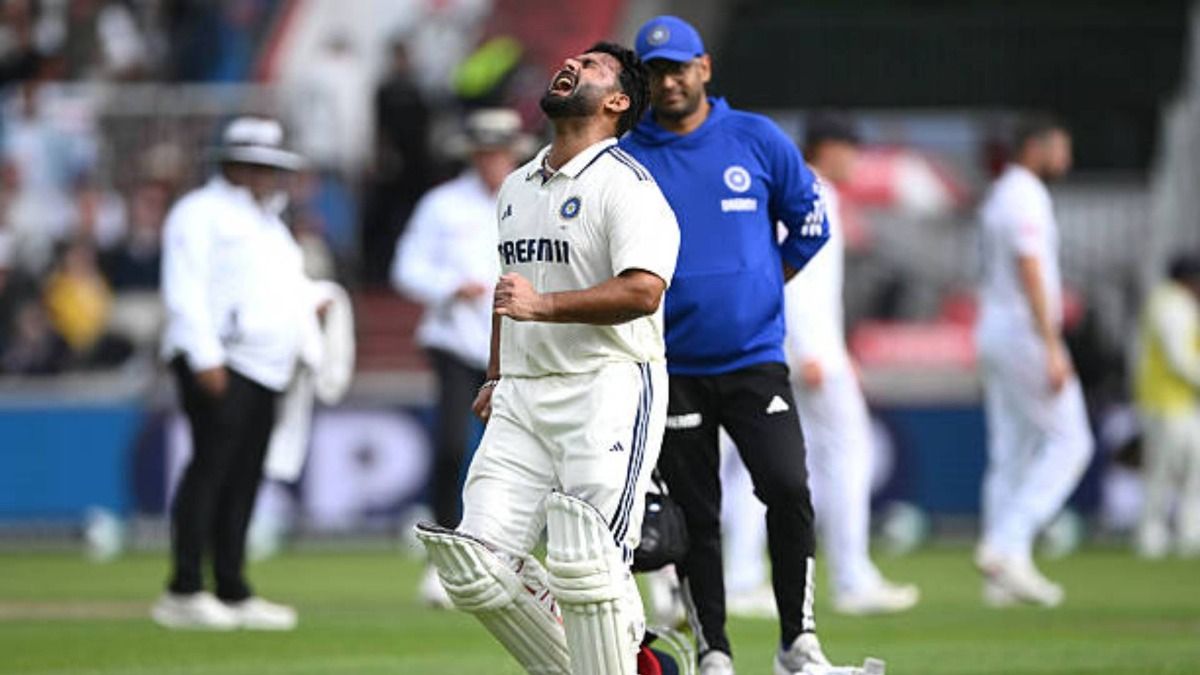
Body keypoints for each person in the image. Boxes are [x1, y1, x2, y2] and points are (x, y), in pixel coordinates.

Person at [621, 15, 876, 675]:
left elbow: (809, 222)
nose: (669, 81)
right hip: (671, 365)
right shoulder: (626, 158)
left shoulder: (756, 139)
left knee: (789, 487)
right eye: (655, 72)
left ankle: (800, 643)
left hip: (754, 360)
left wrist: (763, 283)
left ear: (704, 67)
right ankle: (714, 649)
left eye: (679, 67)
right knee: (697, 516)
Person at [415, 42, 680, 675]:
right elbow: (513, 290)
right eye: (571, 61)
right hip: (522, 391)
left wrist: (547, 308)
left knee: (588, 567)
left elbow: (644, 291)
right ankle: (644, 667)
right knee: (476, 567)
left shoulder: (630, 185)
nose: (570, 66)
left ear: (617, 102)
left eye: (590, 67)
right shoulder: (516, 184)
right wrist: (496, 373)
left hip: (607, 386)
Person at [152, 116, 319, 631]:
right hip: (222, 358)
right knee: (211, 467)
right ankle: (183, 588)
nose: (268, 177)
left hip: (266, 366)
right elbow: (184, 287)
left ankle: (231, 585)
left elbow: (281, 289)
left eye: (272, 168)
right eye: (259, 166)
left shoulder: (268, 222)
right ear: (233, 164)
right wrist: (204, 355)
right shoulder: (199, 213)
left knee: (245, 474)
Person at [391, 107, 531, 608]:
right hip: (456, 340)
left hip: (517, 345)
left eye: (500, 153)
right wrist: (452, 288)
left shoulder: (534, 200)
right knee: (453, 447)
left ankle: (503, 554)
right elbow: (405, 268)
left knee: (515, 457)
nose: (493, 162)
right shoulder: (442, 205)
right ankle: (445, 560)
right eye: (485, 153)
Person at [790, 114, 919, 615]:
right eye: (852, 150)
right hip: (811, 351)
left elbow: (817, 289)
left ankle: (744, 574)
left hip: (814, 348)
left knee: (765, 465)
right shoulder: (811, 194)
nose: (857, 162)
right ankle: (852, 577)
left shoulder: (807, 191)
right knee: (847, 454)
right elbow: (798, 279)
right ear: (830, 148)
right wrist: (813, 351)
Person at [975, 114, 1093, 607]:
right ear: (1037, 147)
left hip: (995, 325)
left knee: (1012, 451)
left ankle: (1000, 579)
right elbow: (1029, 265)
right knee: (1072, 441)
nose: (1065, 159)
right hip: (1024, 330)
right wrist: (1051, 343)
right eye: (1060, 148)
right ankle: (1007, 544)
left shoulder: (1002, 192)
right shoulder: (1025, 195)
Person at [1133, 253, 1200, 558]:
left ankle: (1186, 532)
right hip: (1166, 403)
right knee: (1162, 472)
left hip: (1179, 402)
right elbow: (1179, 359)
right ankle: (1152, 535)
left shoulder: (1171, 303)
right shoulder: (1172, 305)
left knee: (1186, 471)